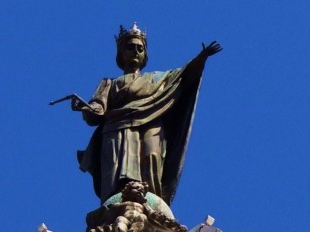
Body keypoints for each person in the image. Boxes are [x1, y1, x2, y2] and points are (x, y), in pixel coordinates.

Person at [70, 25, 221, 205]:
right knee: (114, 168)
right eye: (130, 47)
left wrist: (201, 58)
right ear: (121, 53)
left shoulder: (158, 78)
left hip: (151, 123)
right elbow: (96, 111)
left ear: (144, 55)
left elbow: (184, 75)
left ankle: (150, 204)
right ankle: (114, 205)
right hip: (116, 128)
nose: (135, 51)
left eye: (139, 48)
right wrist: (85, 108)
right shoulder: (109, 83)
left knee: (152, 157)